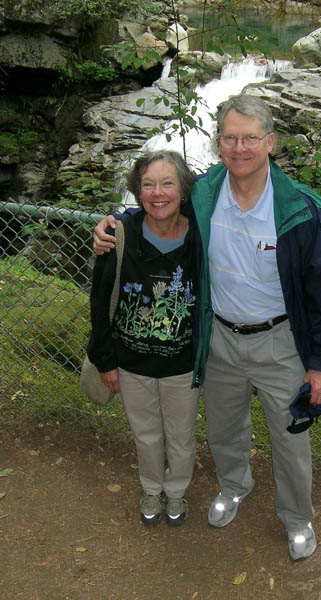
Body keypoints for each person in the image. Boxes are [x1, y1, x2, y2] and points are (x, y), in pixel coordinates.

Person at [93, 94, 321, 561]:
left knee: (291, 437)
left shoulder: (301, 210)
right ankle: (234, 486)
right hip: (220, 339)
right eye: (230, 137)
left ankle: (296, 517)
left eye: (251, 137)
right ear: (218, 143)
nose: (240, 147)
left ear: (270, 142)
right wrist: (115, 223)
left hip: (280, 341)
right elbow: (158, 205)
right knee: (225, 429)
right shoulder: (207, 193)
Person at [87, 149, 200, 528]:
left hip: (182, 365)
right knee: (146, 435)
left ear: (183, 190)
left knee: (181, 436)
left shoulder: (202, 235)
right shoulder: (119, 234)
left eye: (168, 183)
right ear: (138, 191)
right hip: (131, 364)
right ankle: (152, 488)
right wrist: (105, 360)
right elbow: (100, 301)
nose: (158, 193)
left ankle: (177, 492)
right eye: (148, 185)